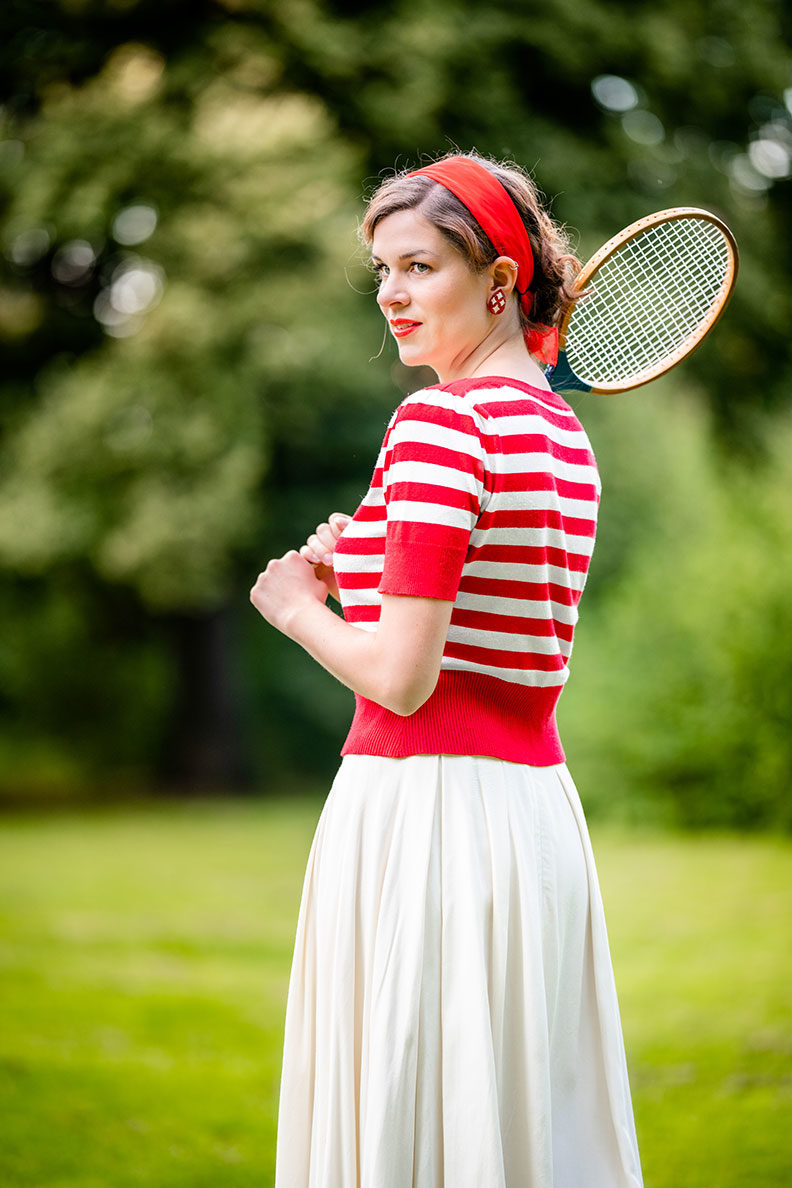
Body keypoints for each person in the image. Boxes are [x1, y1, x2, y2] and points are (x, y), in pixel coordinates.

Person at [250, 152, 643, 1188]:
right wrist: (367, 560)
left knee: (412, 1131)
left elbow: (404, 680)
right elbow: (484, 621)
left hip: (423, 816)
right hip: (530, 824)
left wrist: (295, 609)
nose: (391, 294)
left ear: (501, 279)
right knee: (512, 1129)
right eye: (383, 269)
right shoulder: (562, 434)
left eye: (420, 267)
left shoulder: (439, 422)